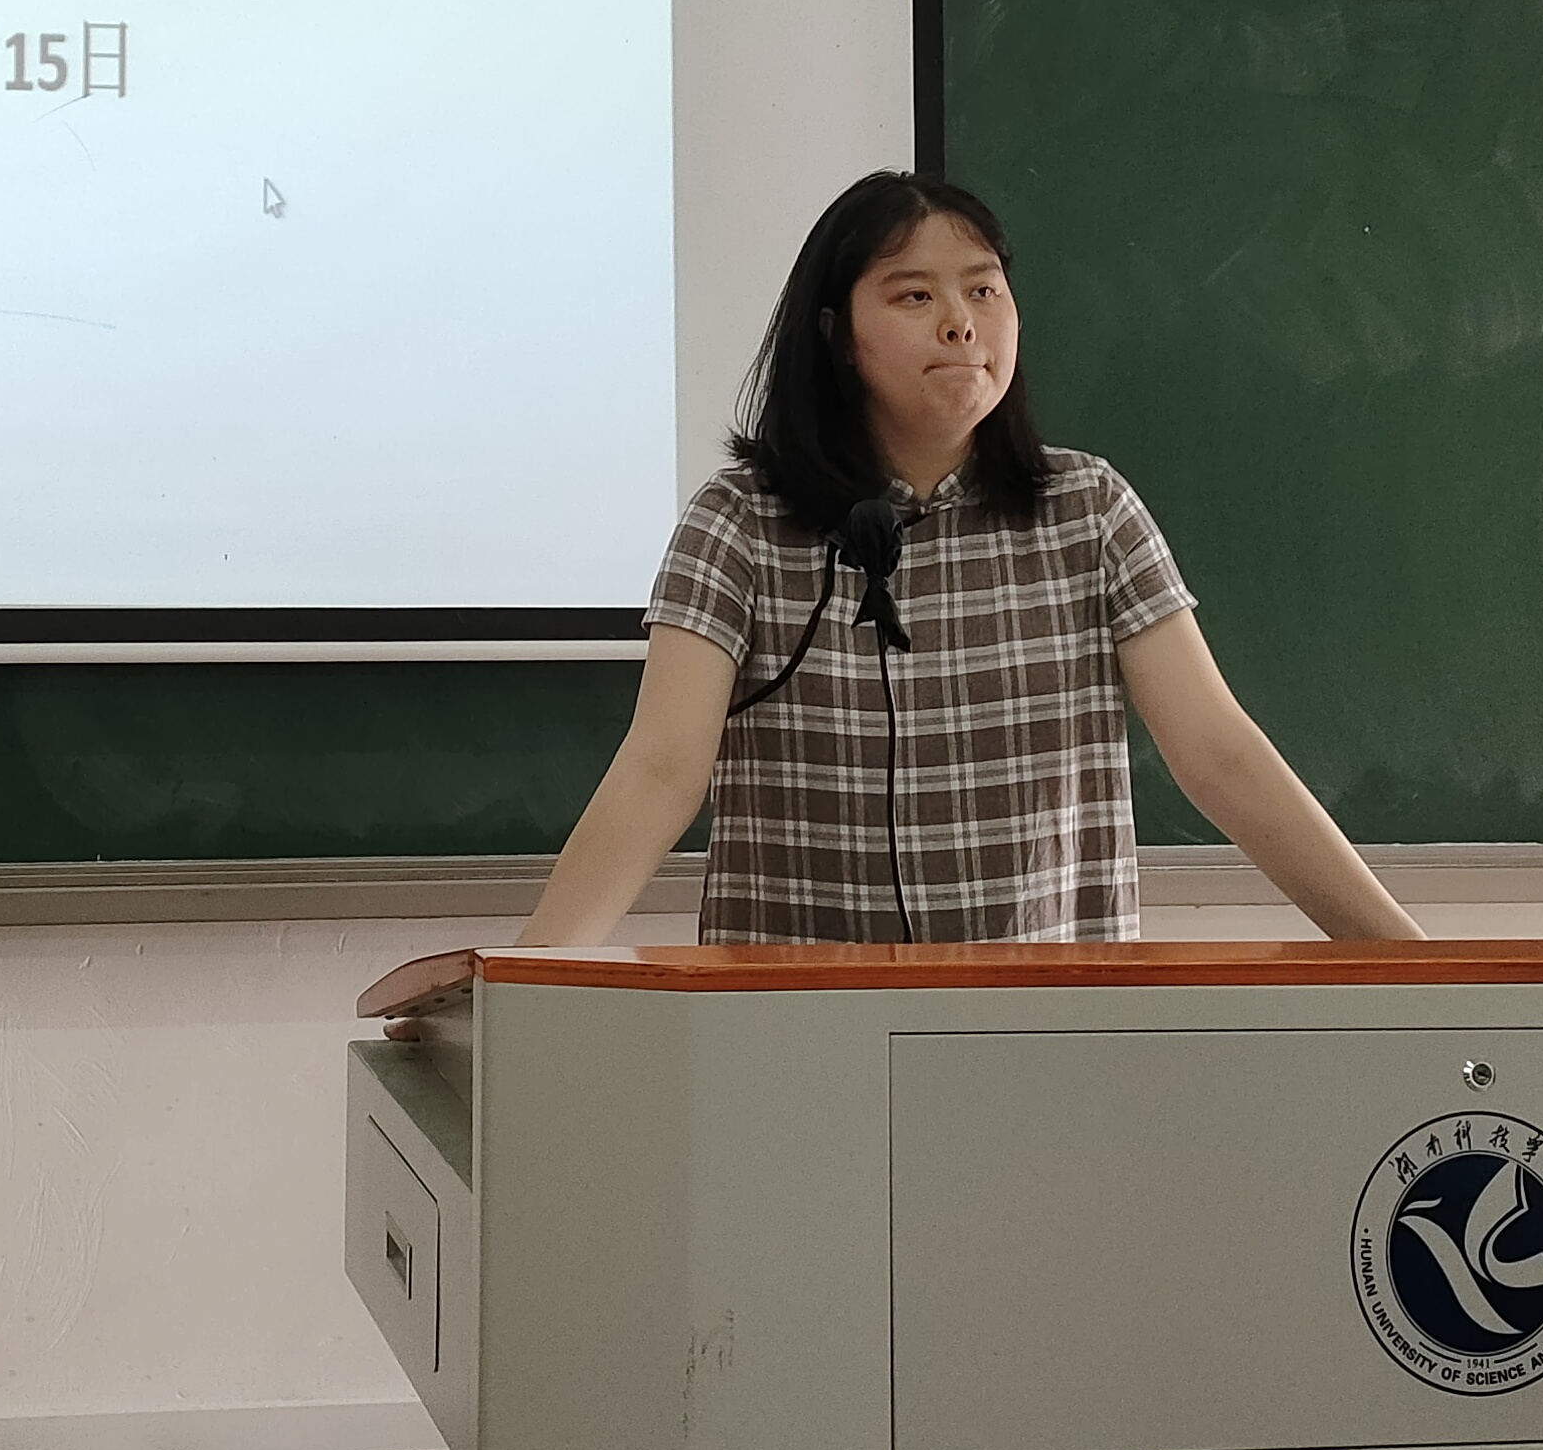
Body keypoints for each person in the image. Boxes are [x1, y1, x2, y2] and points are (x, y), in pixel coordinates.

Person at [509, 168, 1424, 951]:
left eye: (984, 292)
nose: (960, 323)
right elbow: (661, 770)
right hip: (795, 1026)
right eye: (915, 296)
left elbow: (1218, 754)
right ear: (836, 334)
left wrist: (1414, 961)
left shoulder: (1090, 511)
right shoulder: (739, 522)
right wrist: (530, 984)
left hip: (1041, 1026)